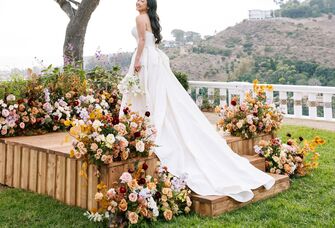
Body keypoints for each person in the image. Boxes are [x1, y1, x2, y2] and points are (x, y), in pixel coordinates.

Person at [118, 0, 275, 202]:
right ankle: (150, 124)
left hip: (146, 60)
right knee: (153, 95)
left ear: (148, 4)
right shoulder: (152, 18)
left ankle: (147, 127)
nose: (137, 2)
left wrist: (138, 61)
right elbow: (150, 41)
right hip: (155, 59)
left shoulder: (140, 18)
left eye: (141, 0)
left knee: (146, 94)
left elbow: (141, 41)